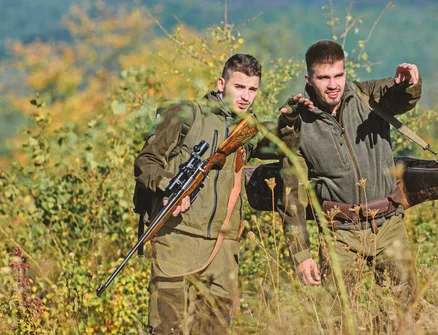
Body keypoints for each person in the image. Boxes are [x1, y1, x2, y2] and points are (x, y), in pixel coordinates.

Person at [277, 40, 422, 331]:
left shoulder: (367, 95)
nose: (333, 85)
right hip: (339, 234)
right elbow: (291, 193)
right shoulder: (297, 123)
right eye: (323, 77)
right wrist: (301, 253)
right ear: (309, 79)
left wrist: (409, 84)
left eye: (338, 75)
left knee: (405, 314)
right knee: (340, 321)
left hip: (388, 225)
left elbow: (399, 97)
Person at [134, 54, 261, 334]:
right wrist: (171, 187)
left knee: (215, 328)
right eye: (239, 87)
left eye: (252, 89)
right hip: (177, 237)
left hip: (223, 245)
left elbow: (288, 149)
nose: (245, 96)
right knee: (167, 327)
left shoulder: (249, 128)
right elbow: (146, 162)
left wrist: (290, 122)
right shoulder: (187, 113)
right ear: (221, 83)